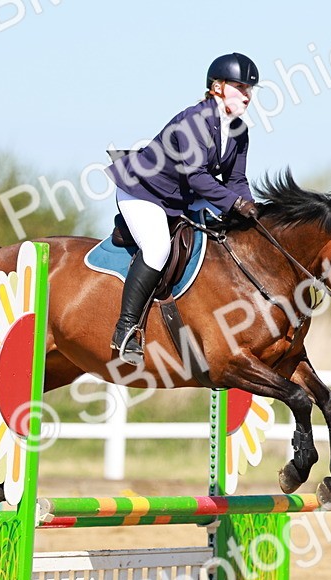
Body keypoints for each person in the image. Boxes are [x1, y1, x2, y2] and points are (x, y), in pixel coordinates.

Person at [106, 52, 261, 365]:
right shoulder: (193, 121)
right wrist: (234, 204)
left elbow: (236, 180)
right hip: (144, 192)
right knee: (157, 248)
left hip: (183, 197)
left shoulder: (239, 131)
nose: (247, 95)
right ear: (217, 87)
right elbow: (198, 176)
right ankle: (125, 330)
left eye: (249, 89)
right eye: (239, 87)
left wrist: (252, 210)